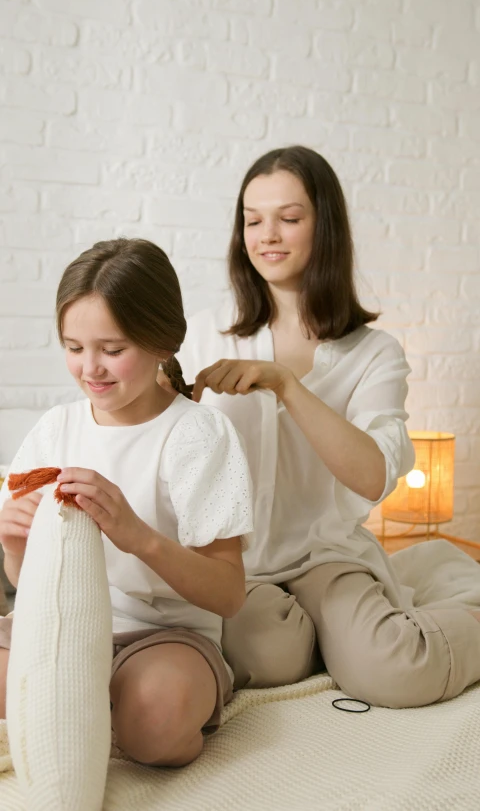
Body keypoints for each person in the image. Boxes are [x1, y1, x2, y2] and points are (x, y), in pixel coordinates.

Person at [177, 145, 480, 708]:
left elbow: (372, 477)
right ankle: (331, 638)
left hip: (327, 556)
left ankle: (453, 621)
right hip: (241, 566)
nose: (267, 234)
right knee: (266, 658)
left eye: (289, 218)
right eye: (252, 220)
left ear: (326, 227)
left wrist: (286, 385)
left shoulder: (374, 353)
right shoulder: (207, 335)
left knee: (394, 672)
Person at [0, 238, 253, 766]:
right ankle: (83, 707)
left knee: (155, 726)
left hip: (166, 636)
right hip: (61, 623)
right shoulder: (56, 429)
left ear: (163, 343)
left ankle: (82, 713)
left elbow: (228, 594)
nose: (90, 368)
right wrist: (15, 544)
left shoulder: (198, 434)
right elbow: (30, 585)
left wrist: (137, 536)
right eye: (74, 347)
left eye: (112, 350)